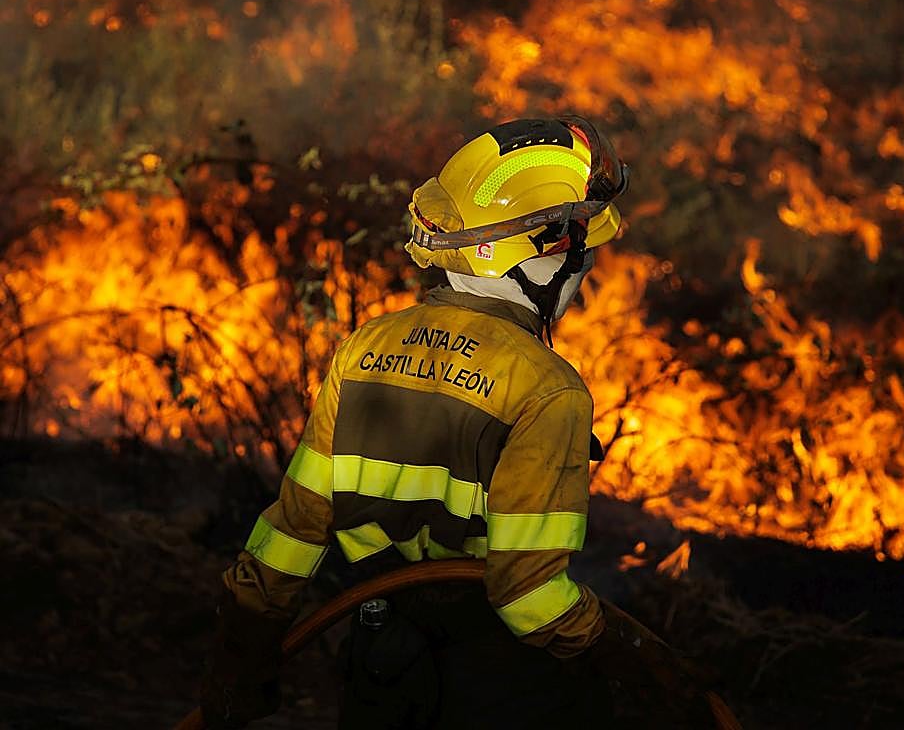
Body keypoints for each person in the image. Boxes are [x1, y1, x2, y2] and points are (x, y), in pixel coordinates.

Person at [200, 117, 714, 729]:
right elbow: (530, 598)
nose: (585, 275)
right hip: (501, 688)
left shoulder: (363, 350)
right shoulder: (546, 387)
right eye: (583, 255)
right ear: (545, 257)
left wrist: (242, 651)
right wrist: (632, 657)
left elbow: (294, 529)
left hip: (381, 670)